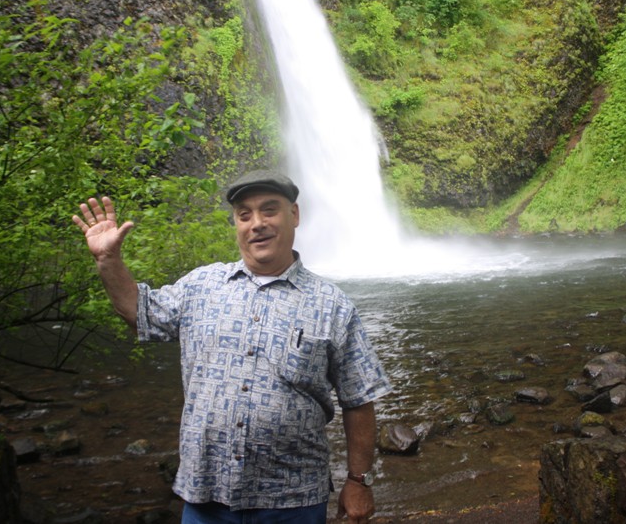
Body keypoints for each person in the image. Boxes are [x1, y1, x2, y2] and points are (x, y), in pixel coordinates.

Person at [72, 170, 392, 524]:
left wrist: (357, 480)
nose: (257, 223)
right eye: (245, 214)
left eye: (269, 210)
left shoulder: (333, 305)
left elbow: (358, 398)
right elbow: (140, 312)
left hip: (292, 499)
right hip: (205, 494)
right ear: (236, 224)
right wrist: (108, 261)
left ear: (295, 215)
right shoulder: (201, 285)